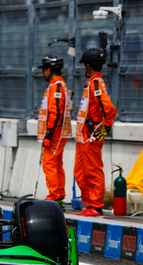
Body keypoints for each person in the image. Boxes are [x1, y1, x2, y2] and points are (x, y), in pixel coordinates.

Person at [74, 48, 116, 217]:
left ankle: (96, 206)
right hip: (84, 135)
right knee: (80, 172)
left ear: (88, 65)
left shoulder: (96, 84)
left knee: (93, 170)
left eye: (85, 64)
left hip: (91, 135)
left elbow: (109, 109)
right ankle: (90, 204)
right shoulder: (92, 83)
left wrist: (106, 127)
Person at [36, 55, 72, 210]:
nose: (43, 73)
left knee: (49, 163)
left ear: (49, 70)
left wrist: (49, 134)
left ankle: (54, 198)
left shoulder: (56, 86)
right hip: (58, 131)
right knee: (56, 164)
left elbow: (56, 112)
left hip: (55, 132)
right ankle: (59, 197)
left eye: (44, 70)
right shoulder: (57, 85)